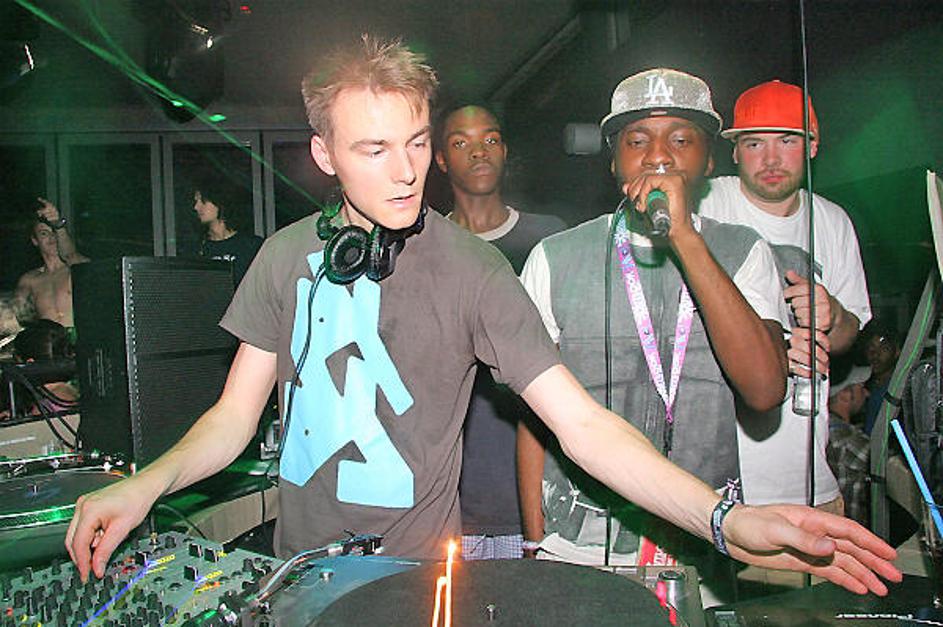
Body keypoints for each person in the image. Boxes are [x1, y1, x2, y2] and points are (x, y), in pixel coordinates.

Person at [65, 36, 901, 598]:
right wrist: (144, 483)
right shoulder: (283, 258)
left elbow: (583, 426)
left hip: (414, 585)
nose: (406, 172)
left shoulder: (473, 269)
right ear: (323, 155)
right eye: (373, 150)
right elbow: (231, 418)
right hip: (295, 579)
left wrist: (724, 518)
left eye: (415, 142)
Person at [517, 68, 788, 592]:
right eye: (637, 140)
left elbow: (764, 390)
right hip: (578, 543)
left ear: (709, 161)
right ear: (614, 160)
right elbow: (532, 416)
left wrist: (684, 238)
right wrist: (534, 537)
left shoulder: (744, 252)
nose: (658, 156)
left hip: (700, 541)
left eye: (681, 140)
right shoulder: (554, 258)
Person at [698, 80, 871, 512]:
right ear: (734, 151)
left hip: (808, 482)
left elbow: (851, 333)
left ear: (811, 147)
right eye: (755, 143)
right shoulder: (704, 205)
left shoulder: (832, 221)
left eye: (788, 141)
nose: (771, 159)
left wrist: (833, 315)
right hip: (712, 487)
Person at [434, 104, 566, 560]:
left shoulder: (550, 242)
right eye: (461, 142)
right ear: (440, 159)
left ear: (505, 151)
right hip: (448, 503)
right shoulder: (421, 245)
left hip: (534, 497)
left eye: (490, 139)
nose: (478, 152)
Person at [14, 198, 89, 330]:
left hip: (82, 339)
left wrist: (58, 225)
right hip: (47, 340)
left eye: (54, 231)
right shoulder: (29, 280)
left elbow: (70, 255)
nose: (51, 237)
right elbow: (19, 319)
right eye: (44, 233)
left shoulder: (76, 268)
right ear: (35, 240)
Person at [826, 361, 871, 526]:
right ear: (845, 394)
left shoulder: (817, 428)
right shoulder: (851, 442)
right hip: (849, 533)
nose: (867, 394)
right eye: (861, 388)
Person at [193, 186, 264, 287]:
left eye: (202, 201)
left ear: (218, 201)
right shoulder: (199, 250)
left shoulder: (252, 245)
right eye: (196, 201)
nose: (196, 207)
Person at [861, 321, 901, 435]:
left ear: (897, 352)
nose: (875, 354)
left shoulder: (899, 390)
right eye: (871, 347)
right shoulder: (862, 386)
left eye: (884, 348)